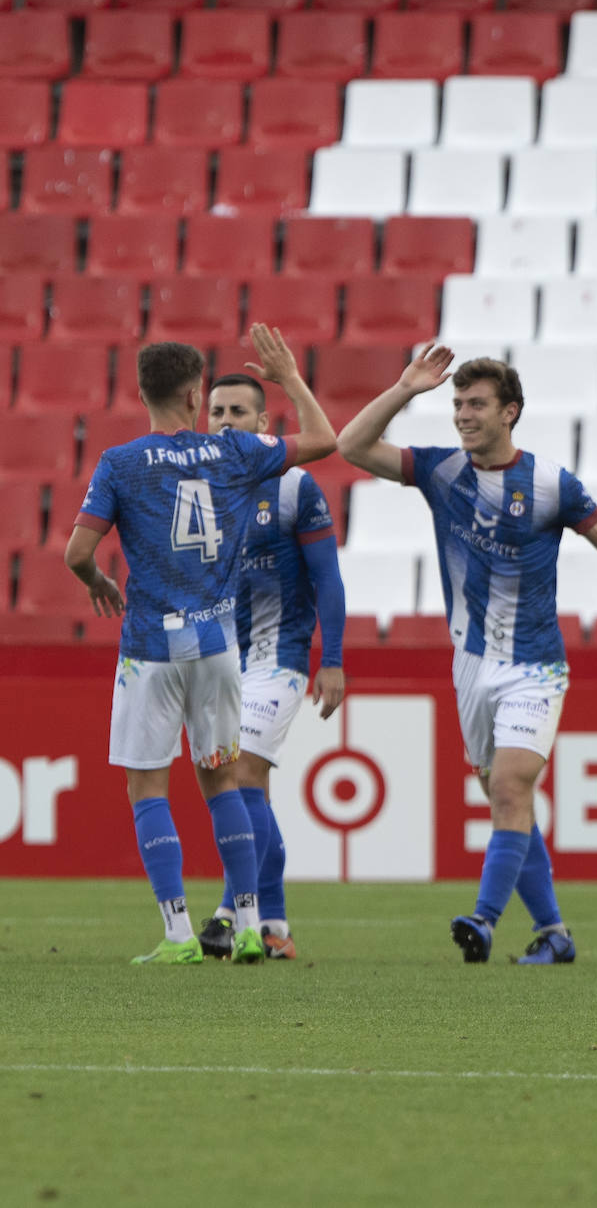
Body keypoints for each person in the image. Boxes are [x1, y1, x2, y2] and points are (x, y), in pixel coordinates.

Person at [337, 343, 597, 965]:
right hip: (470, 666)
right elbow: (352, 447)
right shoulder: (443, 472)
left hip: (534, 665)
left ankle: (484, 918)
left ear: (511, 413)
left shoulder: (553, 485)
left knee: (508, 787)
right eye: (457, 403)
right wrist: (405, 389)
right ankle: (554, 933)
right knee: (509, 801)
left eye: (476, 404)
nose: (462, 414)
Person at [64, 325, 337, 966]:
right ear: (195, 395)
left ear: (141, 392)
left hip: (152, 649)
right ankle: (248, 924)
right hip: (218, 647)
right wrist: (290, 377)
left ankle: (180, 935)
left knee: (148, 790)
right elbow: (326, 440)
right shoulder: (234, 454)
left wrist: (98, 580)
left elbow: (78, 552)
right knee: (222, 785)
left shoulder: (121, 462)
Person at [195, 371, 346, 961]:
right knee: (248, 786)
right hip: (216, 663)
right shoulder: (197, 488)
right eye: (217, 411)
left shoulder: (293, 487)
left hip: (277, 660)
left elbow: (327, 579)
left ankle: (230, 913)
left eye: (239, 411)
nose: (226, 421)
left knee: (243, 772)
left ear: (264, 424)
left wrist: (329, 661)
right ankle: (276, 924)